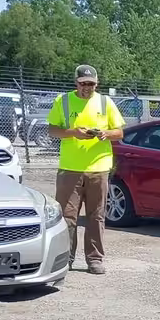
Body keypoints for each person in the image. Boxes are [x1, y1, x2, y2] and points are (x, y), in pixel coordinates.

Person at [46, 65, 126, 274]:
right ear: (76, 83)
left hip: (98, 168)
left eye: (91, 84)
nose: (87, 88)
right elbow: (52, 130)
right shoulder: (62, 101)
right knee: (67, 217)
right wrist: (73, 132)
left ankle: (95, 259)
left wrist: (105, 134)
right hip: (70, 169)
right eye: (83, 84)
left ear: (96, 84)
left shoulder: (105, 102)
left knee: (96, 216)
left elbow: (119, 132)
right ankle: (66, 258)